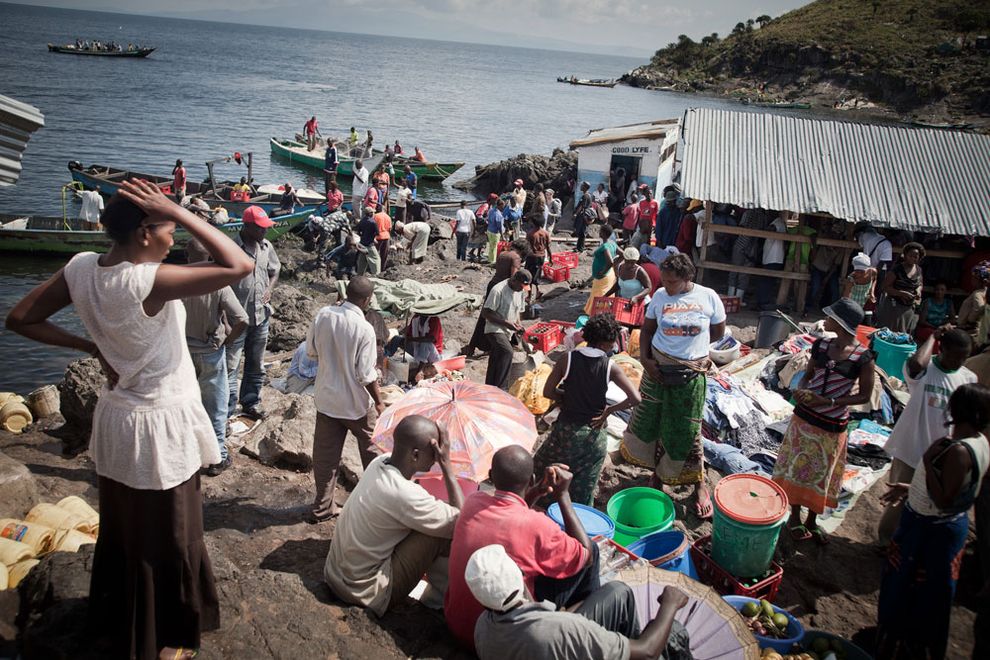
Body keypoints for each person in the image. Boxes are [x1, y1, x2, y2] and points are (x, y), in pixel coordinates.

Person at [5, 179, 254, 658]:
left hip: (118, 419)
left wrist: (87, 345)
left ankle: (120, 619)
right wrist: (181, 212)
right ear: (144, 232)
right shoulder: (148, 281)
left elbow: (20, 319)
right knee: (173, 533)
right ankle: (163, 637)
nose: (174, 240)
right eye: (166, 230)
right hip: (160, 424)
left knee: (126, 531)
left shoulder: (81, 270)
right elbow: (238, 264)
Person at [876, 383, 990, 660]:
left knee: (913, 590)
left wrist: (927, 461)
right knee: (925, 590)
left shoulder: (958, 451)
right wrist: (911, 489)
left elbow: (944, 499)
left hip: (931, 531)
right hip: (942, 525)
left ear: (956, 410)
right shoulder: (981, 443)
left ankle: (902, 645)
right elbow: (959, 488)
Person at [445, 448, 599, 649]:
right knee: (593, 549)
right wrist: (563, 495)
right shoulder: (537, 525)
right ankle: (576, 631)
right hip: (501, 641)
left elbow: (511, 514)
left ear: (491, 476)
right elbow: (585, 556)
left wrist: (537, 490)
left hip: (457, 624)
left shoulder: (473, 503)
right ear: (532, 477)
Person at [324, 415, 464, 615]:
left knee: (432, 521)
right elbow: (462, 524)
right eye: (433, 453)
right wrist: (447, 466)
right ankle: (438, 602)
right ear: (415, 455)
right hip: (364, 592)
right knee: (442, 534)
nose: (436, 457)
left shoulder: (380, 462)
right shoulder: (403, 494)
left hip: (336, 575)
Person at [624, 253, 725, 519]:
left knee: (687, 428)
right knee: (654, 421)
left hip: (689, 374)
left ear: (687, 278)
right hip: (657, 368)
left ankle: (699, 484)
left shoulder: (708, 297)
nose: (667, 287)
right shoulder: (659, 297)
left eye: (672, 282)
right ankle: (658, 476)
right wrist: (646, 360)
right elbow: (647, 330)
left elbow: (717, 332)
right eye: (664, 281)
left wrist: (693, 351)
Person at [469, 547, 692, 660]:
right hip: (555, 637)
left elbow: (549, 622)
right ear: (519, 576)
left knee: (617, 591)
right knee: (673, 631)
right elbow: (648, 651)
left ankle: (625, 643)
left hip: (543, 641)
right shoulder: (561, 629)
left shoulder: (482, 627)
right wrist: (670, 604)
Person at [773, 298, 875, 544]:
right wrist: (802, 390)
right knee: (798, 467)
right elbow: (808, 376)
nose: (825, 319)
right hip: (805, 418)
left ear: (839, 323)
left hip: (832, 424)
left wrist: (829, 402)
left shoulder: (863, 358)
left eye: (830, 317)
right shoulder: (820, 346)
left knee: (823, 474)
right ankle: (795, 517)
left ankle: (812, 521)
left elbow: (864, 395)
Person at [877, 328, 975, 544]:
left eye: (964, 357)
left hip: (942, 455)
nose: (959, 361)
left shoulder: (968, 378)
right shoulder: (924, 368)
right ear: (942, 349)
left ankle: (910, 544)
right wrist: (933, 336)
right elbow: (915, 365)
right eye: (954, 355)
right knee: (898, 500)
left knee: (927, 502)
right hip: (910, 448)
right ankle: (886, 542)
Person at [533, 315, 641, 505]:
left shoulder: (568, 359)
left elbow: (548, 391)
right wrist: (608, 410)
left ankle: (543, 505)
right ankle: (576, 518)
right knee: (584, 485)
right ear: (606, 342)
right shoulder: (610, 366)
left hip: (565, 431)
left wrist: (565, 396)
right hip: (593, 434)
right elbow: (635, 398)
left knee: (542, 467)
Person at [306, 276, 385, 523]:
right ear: (366, 300)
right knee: (374, 456)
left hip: (327, 399)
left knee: (325, 458)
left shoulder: (323, 315)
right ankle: (375, 509)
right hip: (356, 405)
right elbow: (365, 374)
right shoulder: (364, 329)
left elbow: (312, 352)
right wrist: (380, 401)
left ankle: (322, 508)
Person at [182, 238, 249, 476]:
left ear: (187, 257)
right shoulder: (217, 284)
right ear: (210, 257)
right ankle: (217, 457)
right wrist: (227, 342)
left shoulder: (177, 281)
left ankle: (189, 453)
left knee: (188, 406)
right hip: (210, 352)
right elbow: (242, 319)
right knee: (217, 407)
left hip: (183, 355)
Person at [227, 206, 281, 421]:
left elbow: (275, 270)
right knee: (231, 366)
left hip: (261, 315)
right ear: (247, 226)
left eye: (265, 228)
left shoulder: (266, 247)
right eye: (259, 228)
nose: (264, 232)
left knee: (256, 364)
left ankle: (250, 402)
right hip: (236, 318)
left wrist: (269, 288)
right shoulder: (231, 247)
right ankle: (228, 412)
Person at [464, 240, 527, 358]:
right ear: (523, 251)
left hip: (493, 284)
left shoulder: (503, 254)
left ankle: (473, 346)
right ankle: (501, 344)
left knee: (484, 317)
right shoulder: (516, 258)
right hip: (504, 289)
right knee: (503, 315)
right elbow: (514, 277)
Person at [483, 271, 530, 389]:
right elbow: (486, 313)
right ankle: (502, 388)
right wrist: (506, 323)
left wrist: (518, 325)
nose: (522, 289)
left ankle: (490, 387)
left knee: (496, 357)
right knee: (507, 351)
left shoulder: (520, 292)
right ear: (514, 280)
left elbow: (517, 311)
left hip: (508, 329)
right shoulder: (498, 290)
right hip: (494, 328)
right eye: (521, 286)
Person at [875, 242, 924, 332]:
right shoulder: (897, 269)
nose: (913, 258)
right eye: (910, 255)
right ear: (905, 255)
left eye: (916, 256)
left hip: (908, 309)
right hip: (893, 308)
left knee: (902, 334)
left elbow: (920, 284)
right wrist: (901, 293)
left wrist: (918, 291)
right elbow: (885, 287)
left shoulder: (918, 270)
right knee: (889, 332)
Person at [726, 208, 770, 304]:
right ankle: (738, 299)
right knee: (744, 274)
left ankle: (729, 298)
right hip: (752, 247)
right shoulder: (763, 216)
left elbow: (741, 225)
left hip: (740, 244)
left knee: (734, 271)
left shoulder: (747, 213)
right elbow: (763, 230)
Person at [584, 226, 618, 316]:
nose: (599, 232)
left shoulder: (606, 246)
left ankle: (597, 314)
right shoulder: (612, 243)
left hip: (603, 276)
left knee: (599, 295)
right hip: (610, 274)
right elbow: (622, 254)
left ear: (603, 233)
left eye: (600, 231)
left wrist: (603, 271)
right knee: (602, 293)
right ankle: (603, 312)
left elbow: (610, 261)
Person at [757, 213, 787, 310]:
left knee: (766, 281)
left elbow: (772, 229)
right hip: (772, 257)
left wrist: (763, 229)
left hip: (773, 257)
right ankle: (764, 302)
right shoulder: (778, 223)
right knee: (768, 281)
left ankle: (763, 303)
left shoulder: (777, 223)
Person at [959, 260, 990, 347]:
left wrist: (970, 319)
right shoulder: (985, 292)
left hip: (970, 331)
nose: (972, 280)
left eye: (974, 278)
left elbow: (979, 308)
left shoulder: (977, 294)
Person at [403, 312, 444, 376]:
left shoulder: (434, 319)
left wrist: (413, 339)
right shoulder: (415, 319)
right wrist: (406, 338)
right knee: (397, 339)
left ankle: (419, 372)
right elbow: (409, 334)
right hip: (418, 349)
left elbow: (431, 339)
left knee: (426, 344)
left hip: (434, 356)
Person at [854, 221, 893, 286]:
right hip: (878, 271)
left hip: (866, 269)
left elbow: (860, 244)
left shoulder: (863, 236)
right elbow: (884, 263)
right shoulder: (887, 244)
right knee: (876, 290)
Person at [524, 217, 552, 303]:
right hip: (541, 256)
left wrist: (523, 257)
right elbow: (548, 246)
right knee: (537, 274)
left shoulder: (530, 234)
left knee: (528, 276)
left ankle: (529, 296)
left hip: (532, 257)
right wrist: (551, 258)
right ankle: (537, 292)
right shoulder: (545, 233)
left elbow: (527, 247)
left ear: (534, 223)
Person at [355, 207, 381, 276]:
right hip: (370, 245)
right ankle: (377, 277)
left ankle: (359, 277)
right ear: (370, 214)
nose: (374, 213)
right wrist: (372, 237)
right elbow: (377, 233)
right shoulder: (373, 222)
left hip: (362, 245)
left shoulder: (362, 221)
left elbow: (358, 232)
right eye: (373, 212)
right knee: (376, 260)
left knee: (362, 263)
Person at [573, 182, 594, 252]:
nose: (581, 186)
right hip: (585, 215)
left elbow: (582, 206)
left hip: (583, 216)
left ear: (585, 187)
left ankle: (580, 247)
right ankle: (579, 247)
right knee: (581, 232)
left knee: (582, 232)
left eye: (582, 185)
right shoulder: (589, 195)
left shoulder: (585, 196)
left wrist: (576, 214)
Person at [486, 199, 506, 265]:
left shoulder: (491, 210)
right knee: (495, 247)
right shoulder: (498, 215)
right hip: (495, 232)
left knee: (491, 246)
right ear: (499, 205)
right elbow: (499, 227)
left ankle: (490, 258)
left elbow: (488, 219)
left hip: (489, 230)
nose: (503, 208)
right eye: (503, 206)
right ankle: (493, 261)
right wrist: (502, 236)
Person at [373, 204, 392, 270]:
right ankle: (382, 268)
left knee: (375, 254)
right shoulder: (388, 217)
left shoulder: (375, 216)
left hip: (378, 237)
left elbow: (373, 227)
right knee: (384, 255)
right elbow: (390, 229)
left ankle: (374, 269)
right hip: (386, 237)